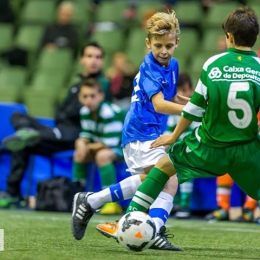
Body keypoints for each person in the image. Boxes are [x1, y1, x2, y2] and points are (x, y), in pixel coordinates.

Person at [123, 5, 260, 231]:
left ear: (229, 36)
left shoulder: (213, 65)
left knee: (165, 166)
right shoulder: (257, 68)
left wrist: (174, 136)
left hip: (210, 146)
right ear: (254, 38)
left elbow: (195, 109)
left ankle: (130, 220)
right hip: (245, 149)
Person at [71, 10, 189, 251]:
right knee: (169, 179)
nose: (163, 51)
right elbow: (159, 104)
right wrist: (193, 112)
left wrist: (197, 103)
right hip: (139, 133)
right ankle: (153, 229)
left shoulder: (173, 65)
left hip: (152, 133)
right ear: (148, 44)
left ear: (177, 42)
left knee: (155, 181)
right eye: (158, 45)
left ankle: (91, 200)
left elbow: (172, 96)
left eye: (168, 45)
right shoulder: (149, 68)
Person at [0, 42, 110, 208]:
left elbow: (97, 115)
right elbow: (61, 113)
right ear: (81, 60)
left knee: (26, 140)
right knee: (19, 122)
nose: (94, 61)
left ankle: (19, 138)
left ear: (102, 61)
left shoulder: (102, 85)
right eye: (89, 56)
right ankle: (12, 193)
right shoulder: (75, 86)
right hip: (57, 131)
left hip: (76, 134)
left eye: (98, 57)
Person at [72, 77, 126, 215]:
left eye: (92, 96)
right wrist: (81, 142)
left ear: (101, 96)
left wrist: (87, 146)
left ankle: (110, 202)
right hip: (103, 144)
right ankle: (78, 198)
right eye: (85, 96)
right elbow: (86, 135)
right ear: (79, 97)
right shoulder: (84, 112)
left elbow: (109, 143)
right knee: (79, 154)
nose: (89, 100)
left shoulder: (109, 112)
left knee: (102, 156)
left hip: (125, 146)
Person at [164, 73, 200, 219]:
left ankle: (185, 204)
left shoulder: (196, 109)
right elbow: (168, 132)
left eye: (186, 90)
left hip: (195, 147)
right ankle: (174, 201)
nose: (184, 94)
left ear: (192, 90)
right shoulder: (174, 112)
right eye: (180, 91)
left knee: (185, 162)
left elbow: (197, 134)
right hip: (179, 147)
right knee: (164, 159)